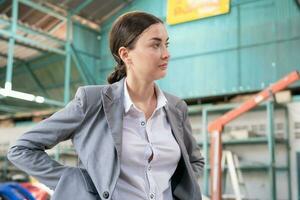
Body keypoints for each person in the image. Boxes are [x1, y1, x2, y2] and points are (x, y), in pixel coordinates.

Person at [7, 11, 204, 200]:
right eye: (155, 45)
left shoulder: (176, 108)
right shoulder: (91, 102)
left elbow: (195, 161)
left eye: (166, 44)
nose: (166, 54)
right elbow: (22, 148)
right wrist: (75, 183)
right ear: (126, 54)